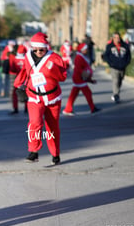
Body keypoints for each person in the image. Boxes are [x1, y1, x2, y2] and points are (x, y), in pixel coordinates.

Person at [14, 32, 67, 165]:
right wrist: (18, 85)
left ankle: (55, 153)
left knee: (52, 127)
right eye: (35, 49)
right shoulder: (27, 57)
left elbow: (62, 77)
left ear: (46, 47)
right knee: (35, 123)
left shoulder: (54, 58)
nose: (38, 51)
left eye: (41, 49)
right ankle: (33, 152)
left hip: (52, 98)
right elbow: (25, 72)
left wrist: (53, 69)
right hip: (34, 97)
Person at [62, 43, 100, 115]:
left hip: (79, 78)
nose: (87, 50)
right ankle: (92, 108)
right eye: (85, 49)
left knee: (74, 94)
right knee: (87, 93)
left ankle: (68, 109)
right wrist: (88, 78)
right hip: (79, 78)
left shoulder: (81, 56)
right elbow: (80, 69)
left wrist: (90, 79)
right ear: (82, 50)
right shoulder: (79, 57)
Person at [102, 32, 131, 103]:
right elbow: (106, 56)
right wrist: (110, 63)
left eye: (118, 37)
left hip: (122, 67)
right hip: (114, 67)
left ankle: (117, 92)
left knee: (120, 81)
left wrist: (126, 63)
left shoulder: (125, 46)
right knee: (115, 81)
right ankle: (116, 95)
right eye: (116, 38)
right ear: (113, 38)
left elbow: (128, 56)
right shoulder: (109, 46)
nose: (117, 39)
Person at [9, 44, 28, 114]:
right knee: (27, 92)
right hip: (26, 77)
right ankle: (26, 108)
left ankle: (15, 108)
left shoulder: (14, 57)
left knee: (14, 93)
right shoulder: (27, 58)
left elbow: (12, 68)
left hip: (17, 77)